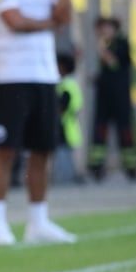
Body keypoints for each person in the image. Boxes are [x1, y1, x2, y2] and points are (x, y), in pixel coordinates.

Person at [0, 0, 76, 246]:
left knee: (43, 150)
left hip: (45, 75)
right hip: (13, 75)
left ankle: (38, 221)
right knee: (6, 150)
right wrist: (49, 22)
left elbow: (65, 18)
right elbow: (14, 22)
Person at [87, 15, 136, 182]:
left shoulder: (121, 44)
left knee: (125, 131)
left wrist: (103, 52)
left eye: (107, 28)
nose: (104, 32)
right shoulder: (105, 45)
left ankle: (131, 168)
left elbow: (117, 65)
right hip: (104, 97)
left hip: (120, 97)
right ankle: (97, 167)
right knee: (100, 131)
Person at [54, 53, 83, 184]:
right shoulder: (71, 83)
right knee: (66, 154)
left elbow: (62, 106)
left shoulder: (66, 85)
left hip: (65, 126)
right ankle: (69, 178)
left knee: (63, 155)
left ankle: (66, 180)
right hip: (69, 126)